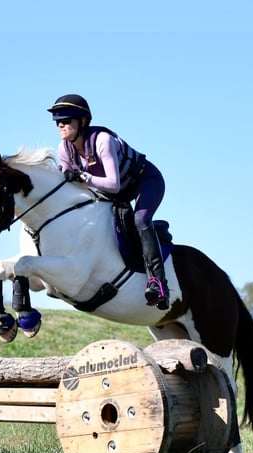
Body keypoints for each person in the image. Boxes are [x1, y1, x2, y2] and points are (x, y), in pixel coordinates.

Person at [47, 94, 170, 310]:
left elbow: (113, 184)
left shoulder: (102, 140)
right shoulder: (63, 149)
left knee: (140, 219)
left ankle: (159, 283)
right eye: (58, 121)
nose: (60, 125)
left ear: (83, 121)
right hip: (115, 191)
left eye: (66, 120)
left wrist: (83, 177)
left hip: (144, 180)